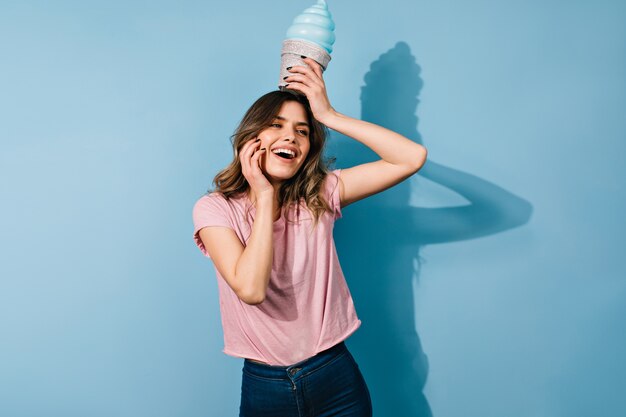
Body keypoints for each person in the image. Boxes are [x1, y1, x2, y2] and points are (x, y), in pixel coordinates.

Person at [192, 57, 427, 416]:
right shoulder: (215, 209)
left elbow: (410, 158)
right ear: (250, 137)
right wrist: (266, 194)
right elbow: (251, 289)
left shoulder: (320, 193)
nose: (290, 136)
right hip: (265, 386)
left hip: (335, 375)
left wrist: (329, 114)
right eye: (276, 125)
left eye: (302, 130)